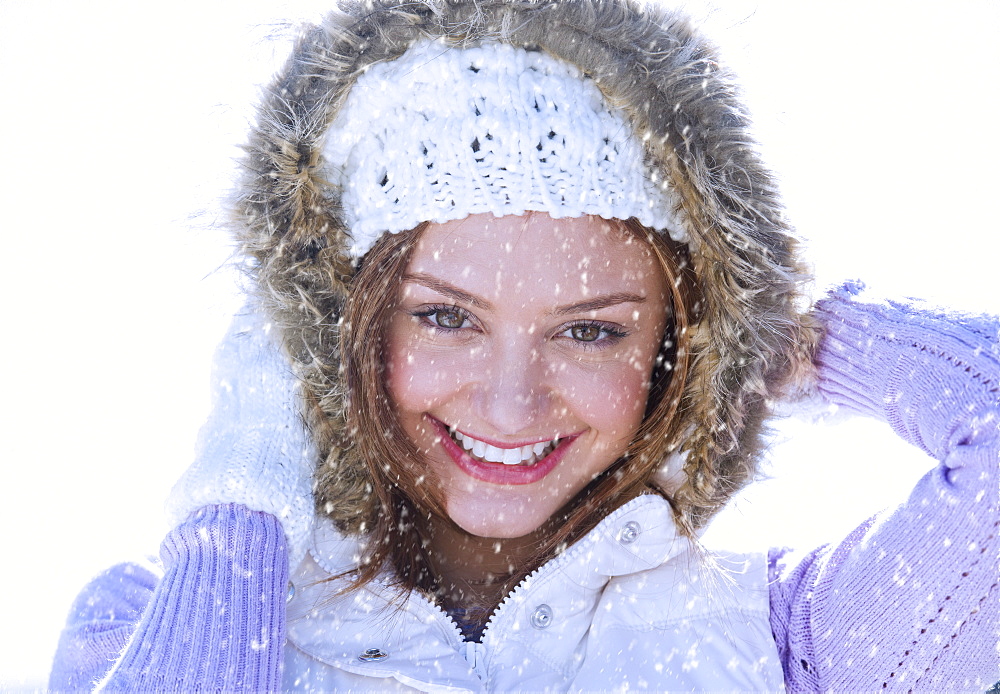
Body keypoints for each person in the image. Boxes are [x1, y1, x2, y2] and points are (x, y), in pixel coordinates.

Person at [49, 0, 999, 691]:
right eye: (444, 316)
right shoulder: (153, 622)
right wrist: (247, 491)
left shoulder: (785, 641)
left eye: (590, 331)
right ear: (345, 326)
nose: (511, 404)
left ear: (681, 350)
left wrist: (785, 332)